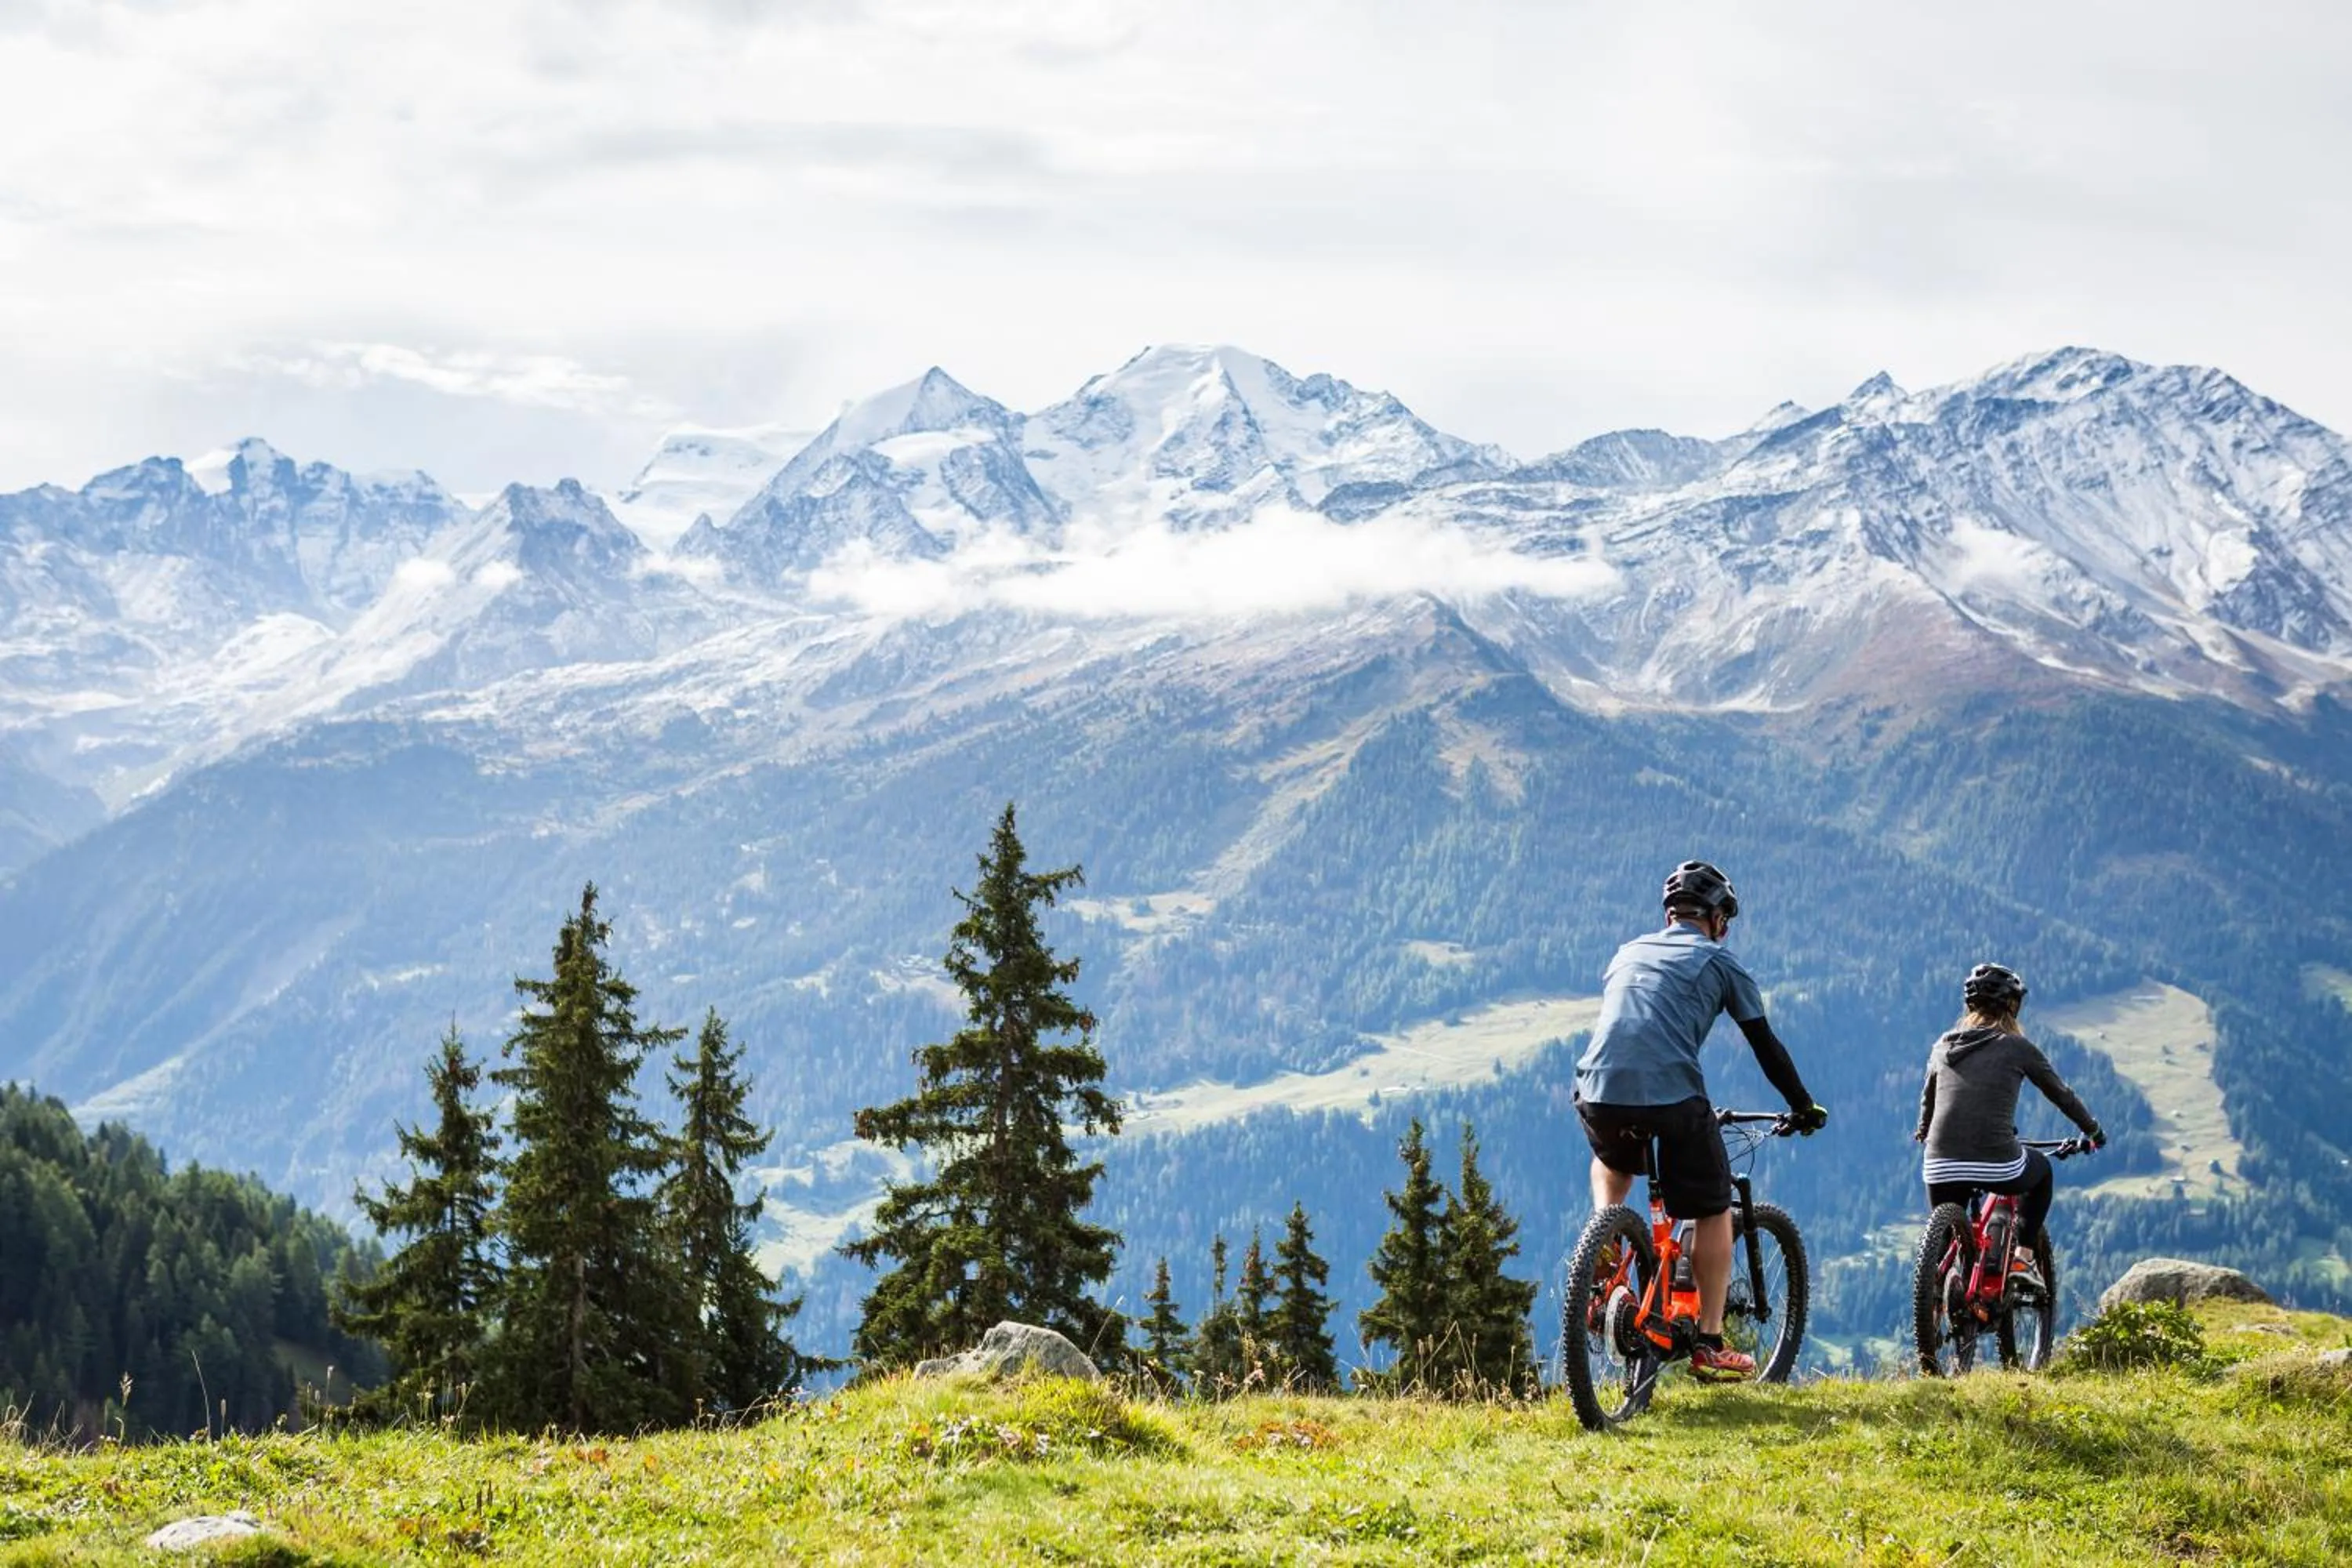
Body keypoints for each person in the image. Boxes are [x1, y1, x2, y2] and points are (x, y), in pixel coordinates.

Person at [1573, 860, 1828, 1383]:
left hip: (1596, 1090)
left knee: (1611, 1159)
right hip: (1671, 1096)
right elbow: (1767, 1047)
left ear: (1670, 915)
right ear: (1716, 919)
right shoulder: (1721, 962)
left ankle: (1607, 1232)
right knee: (1713, 1208)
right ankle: (1710, 1344)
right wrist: (1804, 1105)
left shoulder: (1628, 952)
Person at [1914, 963, 2103, 1279]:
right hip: (1997, 1162)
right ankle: (2023, 1259)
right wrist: (2092, 1130)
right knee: (2041, 1170)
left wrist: (1923, 1130)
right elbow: (2061, 1094)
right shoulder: (2016, 1047)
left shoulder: (1943, 1045)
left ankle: (1937, 1295)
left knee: (1945, 1245)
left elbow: (1928, 1098)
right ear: (2013, 1005)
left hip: (1939, 1163)